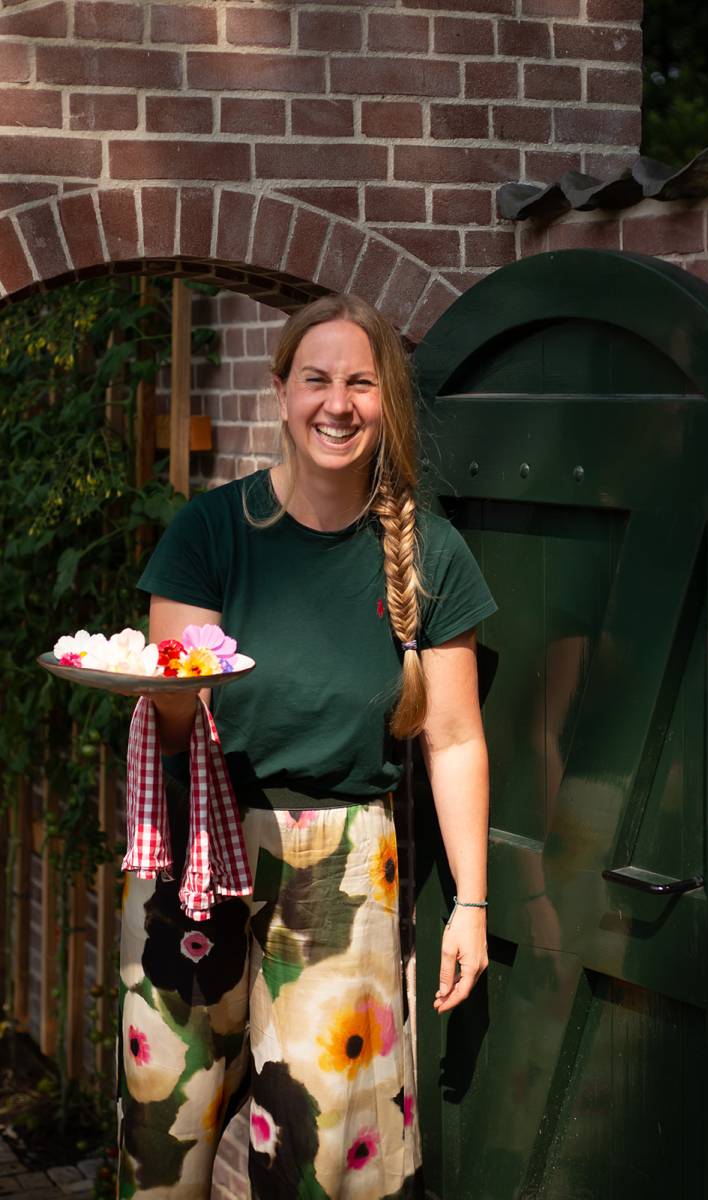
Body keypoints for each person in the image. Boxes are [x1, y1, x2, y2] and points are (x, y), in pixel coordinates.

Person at [117, 293, 497, 1200]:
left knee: (330, 1157)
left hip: (345, 870)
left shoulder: (431, 555)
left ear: (387, 401)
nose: (338, 403)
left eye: (362, 383)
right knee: (166, 1133)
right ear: (280, 390)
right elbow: (176, 720)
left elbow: (453, 740)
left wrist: (473, 904)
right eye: (316, 379)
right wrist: (165, 696)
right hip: (194, 856)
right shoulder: (210, 532)